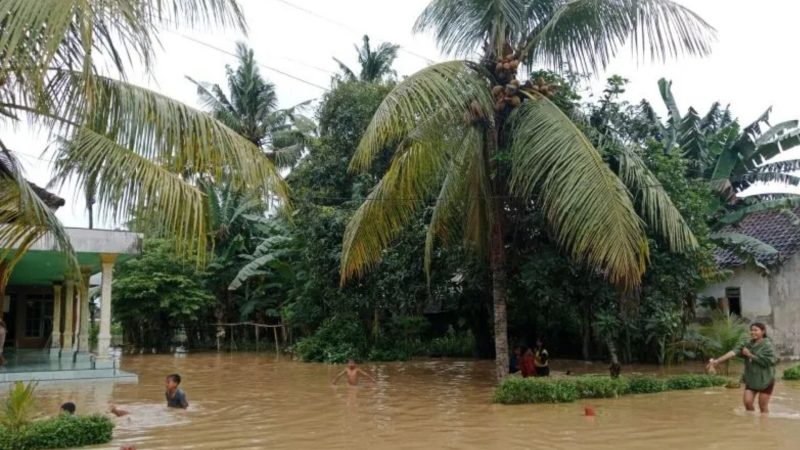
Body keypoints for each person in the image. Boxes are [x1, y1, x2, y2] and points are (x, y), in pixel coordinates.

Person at [708, 322, 778, 414]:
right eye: (751, 330)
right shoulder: (747, 344)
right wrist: (717, 361)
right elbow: (733, 352)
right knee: (748, 403)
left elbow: (768, 362)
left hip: (766, 380)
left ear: (763, 331)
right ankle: (751, 425)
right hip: (751, 380)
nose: (753, 332)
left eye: (756, 330)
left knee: (763, 407)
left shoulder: (768, 345)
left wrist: (749, 355)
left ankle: (764, 426)